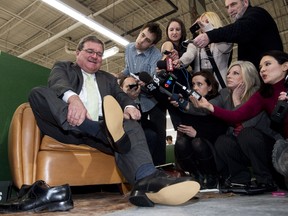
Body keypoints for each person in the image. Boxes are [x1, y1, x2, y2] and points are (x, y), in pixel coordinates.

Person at [28, 35, 200, 207]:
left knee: (130, 122)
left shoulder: (108, 79)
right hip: (67, 129)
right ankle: (88, 126)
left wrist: (130, 107)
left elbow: (121, 96)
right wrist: (73, 99)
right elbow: (57, 83)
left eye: (99, 54)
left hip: (102, 135)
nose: (95, 56)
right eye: (90, 51)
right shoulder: (63, 67)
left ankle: (146, 179)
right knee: (37, 93)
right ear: (78, 53)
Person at [191, 50, 288, 191]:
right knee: (226, 139)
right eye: (260, 67)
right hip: (258, 147)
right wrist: (208, 106)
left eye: (267, 64)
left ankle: (267, 178)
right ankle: (244, 180)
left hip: (272, 146)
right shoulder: (263, 94)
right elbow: (237, 117)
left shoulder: (255, 91)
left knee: (248, 133)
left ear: (285, 66)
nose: (263, 70)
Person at [173, 70, 228, 189]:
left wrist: (198, 133)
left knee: (197, 142)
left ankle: (212, 176)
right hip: (194, 149)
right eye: (193, 84)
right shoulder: (190, 102)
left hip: (213, 147)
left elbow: (220, 130)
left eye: (199, 84)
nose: (195, 88)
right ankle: (196, 175)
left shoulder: (217, 102)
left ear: (209, 87)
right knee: (181, 142)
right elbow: (187, 127)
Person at [122, 22, 167, 165]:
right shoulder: (129, 48)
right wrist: (119, 76)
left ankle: (160, 167)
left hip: (153, 101)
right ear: (140, 31)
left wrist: (147, 83)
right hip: (136, 100)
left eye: (147, 40)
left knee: (159, 136)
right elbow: (128, 69)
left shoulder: (156, 55)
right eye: (142, 35)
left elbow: (155, 80)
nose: (141, 41)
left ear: (152, 44)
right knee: (141, 135)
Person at [193, 0, 283, 68]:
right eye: (227, 7)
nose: (230, 10)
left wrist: (209, 35)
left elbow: (238, 29)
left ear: (245, 2)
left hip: (272, 71)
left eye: (233, 4)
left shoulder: (256, 13)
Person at [119, 75, 159, 164]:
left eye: (134, 86)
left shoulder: (141, 104)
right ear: (121, 88)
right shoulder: (116, 101)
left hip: (139, 135)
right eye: (128, 86)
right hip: (122, 135)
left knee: (151, 134)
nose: (131, 89)